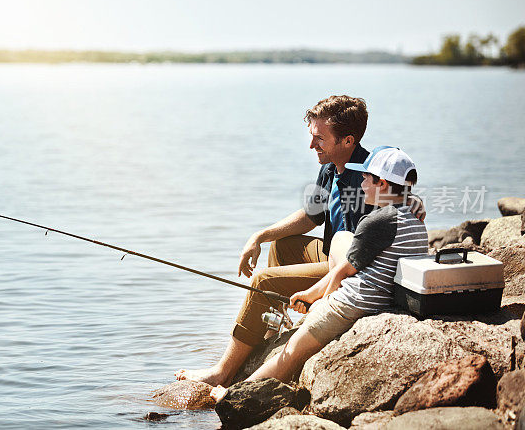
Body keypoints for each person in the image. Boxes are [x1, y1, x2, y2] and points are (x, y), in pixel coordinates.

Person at [175, 96, 425, 386]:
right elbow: (312, 216)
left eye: (319, 138)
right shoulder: (331, 166)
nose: (311, 145)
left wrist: (415, 202)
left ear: (348, 140)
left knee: (264, 281)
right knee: (282, 244)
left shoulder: (368, 178)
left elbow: (399, 203)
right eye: (312, 136)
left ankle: (223, 372)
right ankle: (270, 332)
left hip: (353, 268)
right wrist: (260, 236)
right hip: (334, 253)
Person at [209, 147, 428, 401]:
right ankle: (269, 335)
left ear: (381, 183)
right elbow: (315, 219)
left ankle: (234, 394)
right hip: (378, 291)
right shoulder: (412, 216)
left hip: (354, 300)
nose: (362, 183)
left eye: (367, 179)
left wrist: (318, 298)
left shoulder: (376, 220)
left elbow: (342, 273)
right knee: (321, 240)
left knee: (292, 352)